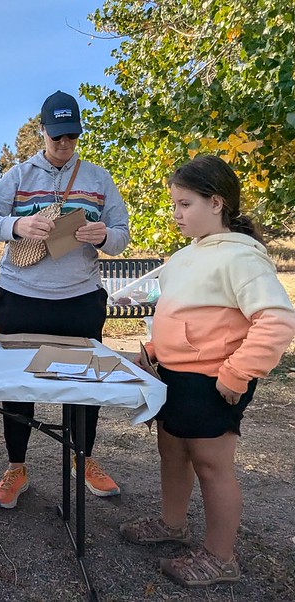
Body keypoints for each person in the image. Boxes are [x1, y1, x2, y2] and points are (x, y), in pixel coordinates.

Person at [119, 155, 295, 587]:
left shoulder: (241, 258)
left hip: (215, 380)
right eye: (174, 204)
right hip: (174, 377)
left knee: (212, 465)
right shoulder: (183, 258)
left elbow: (276, 320)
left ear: (216, 203)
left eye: (185, 204)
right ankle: (172, 524)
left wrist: (237, 375)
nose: (175, 214)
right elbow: (187, 319)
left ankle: (221, 558)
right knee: (172, 450)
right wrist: (155, 350)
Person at [0, 90, 130, 507]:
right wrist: (18, 225)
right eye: (56, 135)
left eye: (71, 136)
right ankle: (16, 468)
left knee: (84, 382)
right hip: (21, 296)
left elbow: (122, 234)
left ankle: (83, 458)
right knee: (18, 383)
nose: (64, 144)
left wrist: (105, 235)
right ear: (42, 131)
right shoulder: (19, 175)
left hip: (79, 298)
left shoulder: (98, 178)